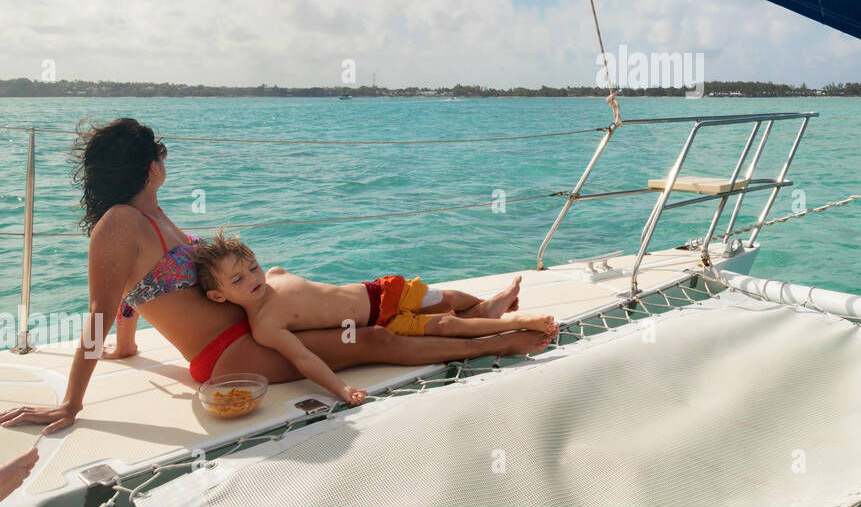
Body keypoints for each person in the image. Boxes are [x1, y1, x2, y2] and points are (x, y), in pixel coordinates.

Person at [0, 118, 551, 436]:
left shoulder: (151, 215)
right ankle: (496, 342)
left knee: (365, 304)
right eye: (162, 154)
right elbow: (100, 309)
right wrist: (72, 404)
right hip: (229, 354)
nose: (166, 161)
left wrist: (127, 345)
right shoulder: (120, 223)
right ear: (151, 165)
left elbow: (131, 295)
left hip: (253, 327)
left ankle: (474, 316)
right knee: (376, 340)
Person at [194, 230, 557, 405]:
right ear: (218, 296)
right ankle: (508, 329)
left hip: (379, 290)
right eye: (238, 280)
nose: (254, 279)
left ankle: (489, 305)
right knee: (447, 324)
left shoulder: (274, 275)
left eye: (253, 267)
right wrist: (340, 390)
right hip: (380, 320)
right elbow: (306, 359)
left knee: (447, 297)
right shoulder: (265, 327)